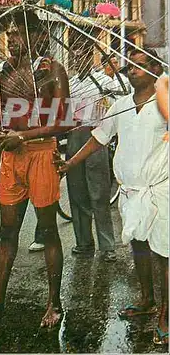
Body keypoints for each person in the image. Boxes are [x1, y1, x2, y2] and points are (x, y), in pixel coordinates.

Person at [54, 48, 168, 346]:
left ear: (156, 68)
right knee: (140, 246)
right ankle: (147, 299)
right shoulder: (120, 105)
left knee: (164, 253)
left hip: (161, 189)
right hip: (132, 192)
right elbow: (98, 139)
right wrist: (69, 164)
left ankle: (166, 315)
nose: (131, 71)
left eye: (139, 67)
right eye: (129, 67)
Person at [0, 10, 70, 328]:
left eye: (18, 32)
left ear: (38, 37)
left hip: (40, 156)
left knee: (49, 230)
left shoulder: (53, 71)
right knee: (7, 231)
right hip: (12, 160)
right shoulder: (4, 72)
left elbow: (62, 122)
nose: (10, 39)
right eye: (8, 33)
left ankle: (54, 303)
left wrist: (20, 136)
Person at [66, 49, 116, 262]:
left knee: (99, 193)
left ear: (92, 57)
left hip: (97, 135)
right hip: (74, 134)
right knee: (77, 191)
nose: (80, 59)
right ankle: (83, 242)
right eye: (76, 56)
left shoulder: (104, 80)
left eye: (84, 55)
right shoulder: (70, 83)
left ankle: (107, 246)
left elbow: (118, 101)